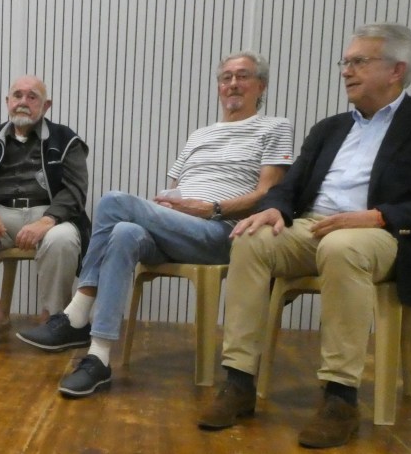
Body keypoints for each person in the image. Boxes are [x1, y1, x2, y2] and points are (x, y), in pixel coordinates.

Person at [200, 23, 411, 448]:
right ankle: (238, 381)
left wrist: (378, 216)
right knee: (250, 238)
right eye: (345, 62)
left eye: (359, 61)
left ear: (396, 70)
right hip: (313, 225)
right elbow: (290, 186)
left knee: (343, 248)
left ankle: (340, 398)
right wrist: (273, 209)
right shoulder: (330, 128)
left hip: (382, 231)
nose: (346, 71)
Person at [18, 52, 295, 397]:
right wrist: (167, 205)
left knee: (114, 201)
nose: (233, 84)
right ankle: (99, 356)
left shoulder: (275, 127)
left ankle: (78, 311)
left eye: (243, 76)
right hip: (180, 227)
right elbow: (174, 188)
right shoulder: (199, 135)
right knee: (124, 231)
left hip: (223, 231)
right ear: (219, 87)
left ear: (261, 86)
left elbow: (269, 193)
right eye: (226, 77)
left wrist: (211, 208)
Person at [0, 75, 90, 348]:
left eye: (32, 96)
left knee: (62, 238)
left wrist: (47, 220)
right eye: (17, 95)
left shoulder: (66, 139)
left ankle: (53, 321)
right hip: (1, 217)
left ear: (46, 105)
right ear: (7, 101)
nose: (23, 102)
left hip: (49, 217)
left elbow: (76, 189)